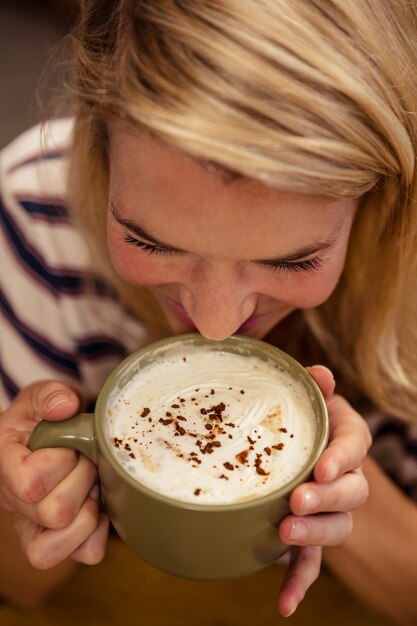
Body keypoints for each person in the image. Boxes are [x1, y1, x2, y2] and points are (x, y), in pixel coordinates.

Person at [0, 0, 416, 624]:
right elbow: (17, 586)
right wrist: (31, 498)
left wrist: (328, 483)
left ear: (380, 197)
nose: (216, 325)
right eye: (147, 241)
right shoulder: (37, 216)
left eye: (293, 261)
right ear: (97, 143)